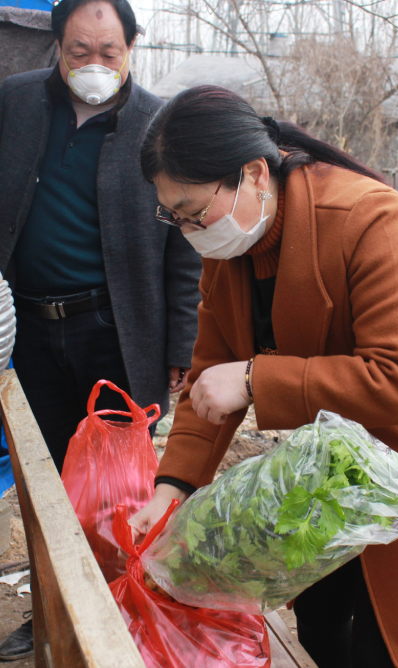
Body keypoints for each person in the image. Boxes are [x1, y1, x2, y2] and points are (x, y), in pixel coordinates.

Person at [128, 84, 398, 668]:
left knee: (381, 640)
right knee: (321, 626)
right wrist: (172, 486)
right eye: (172, 217)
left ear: (253, 173)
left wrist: (254, 378)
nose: (190, 231)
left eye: (195, 212)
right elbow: (208, 378)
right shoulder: (230, 252)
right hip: (333, 465)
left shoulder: (374, 219)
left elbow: (397, 380)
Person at [0, 0, 201, 660]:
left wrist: (178, 346)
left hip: (116, 328)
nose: (93, 65)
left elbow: (183, 254)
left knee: (120, 486)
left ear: (132, 48)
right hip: (27, 327)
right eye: (78, 51)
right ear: (55, 47)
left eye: (107, 52)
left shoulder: (157, 124)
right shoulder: (16, 104)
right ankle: (54, 603)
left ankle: (121, 605)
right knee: (46, 480)